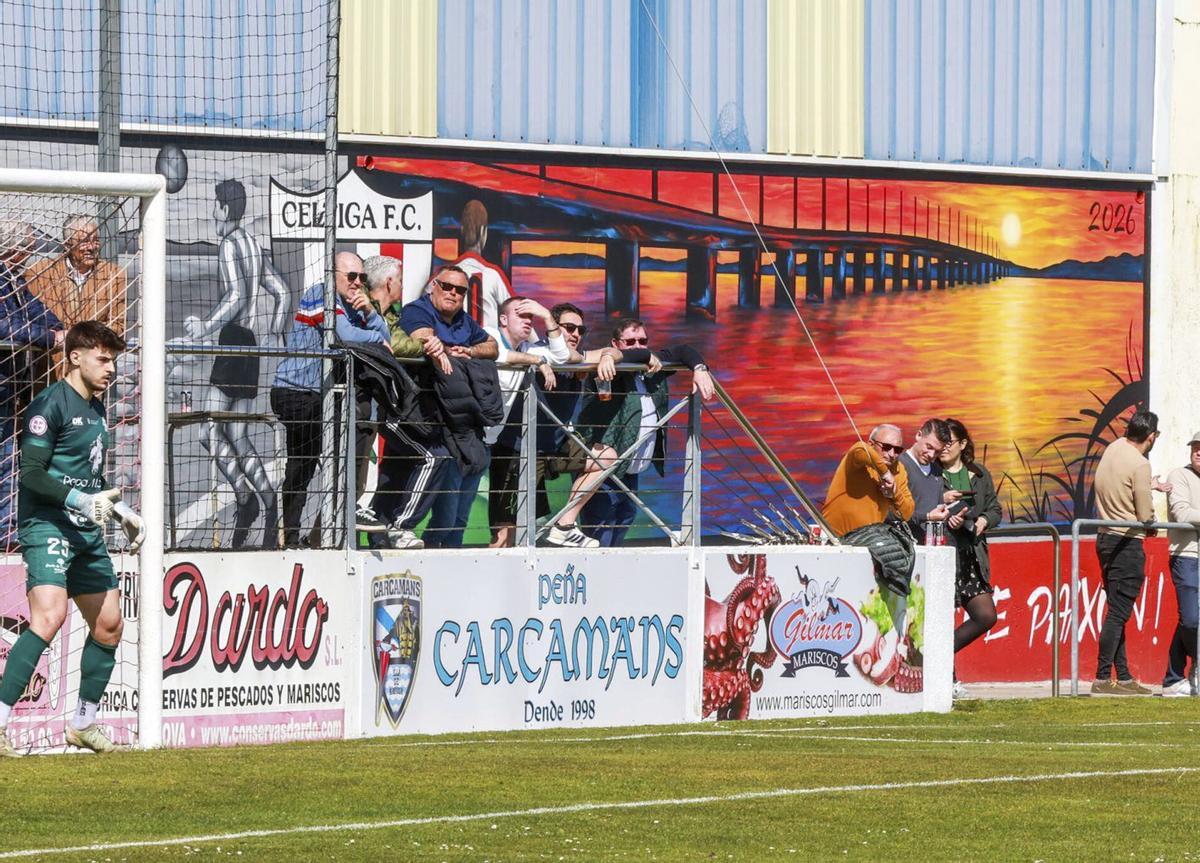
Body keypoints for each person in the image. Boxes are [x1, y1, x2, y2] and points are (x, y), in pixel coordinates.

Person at [0, 322, 145, 756]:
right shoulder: (49, 406)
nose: (111, 368)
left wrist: (118, 511)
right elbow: (31, 475)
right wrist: (83, 501)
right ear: (75, 356)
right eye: (103, 358)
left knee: (109, 624)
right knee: (49, 616)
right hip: (47, 525)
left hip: (84, 530)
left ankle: (83, 723)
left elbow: (89, 476)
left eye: (114, 359)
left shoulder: (96, 409)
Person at [183, 180, 287, 549]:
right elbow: (281, 291)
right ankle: (268, 503)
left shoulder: (229, 243)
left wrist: (204, 326)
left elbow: (238, 293)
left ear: (226, 209)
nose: (212, 212)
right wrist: (274, 330)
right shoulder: (253, 245)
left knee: (207, 431)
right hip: (251, 346)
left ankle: (245, 499)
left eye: (215, 205)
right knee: (238, 435)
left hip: (232, 341)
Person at [271, 252, 389, 547]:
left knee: (309, 465)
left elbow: (381, 333)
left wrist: (373, 316)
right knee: (307, 463)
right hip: (295, 392)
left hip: (316, 396)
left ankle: (304, 534)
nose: (357, 284)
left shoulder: (351, 305)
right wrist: (376, 337)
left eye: (362, 278)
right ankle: (297, 534)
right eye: (351, 277)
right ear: (332, 274)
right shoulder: (320, 294)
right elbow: (344, 335)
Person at [383, 265, 499, 548]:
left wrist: (469, 351)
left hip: (463, 428)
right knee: (444, 510)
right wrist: (447, 350)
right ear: (434, 285)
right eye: (447, 286)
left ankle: (448, 564)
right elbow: (426, 338)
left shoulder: (464, 320)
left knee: (459, 518)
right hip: (423, 419)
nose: (453, 293)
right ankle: (403, 533)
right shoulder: (417, 310)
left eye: (460, 290)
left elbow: (493, 347)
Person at [576, 318, 714, 547]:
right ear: (615, 343)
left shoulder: (650, 367)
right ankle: (596, 579)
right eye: (630, 341)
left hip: (632, 468)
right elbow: (628, 357)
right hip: (605, 467)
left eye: (643, 341)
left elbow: (683, 350)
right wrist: (623, 356)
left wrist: (700, 369)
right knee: (602, 530)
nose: (639, 346)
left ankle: (613, 578)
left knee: (624, 520)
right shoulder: (607, 368)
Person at [534, 303, 630, 548]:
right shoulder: (538, 351)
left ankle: (564, 526)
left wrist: (608, 356)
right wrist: (540, 364)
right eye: (569, 327)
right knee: (509, 532)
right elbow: (545, 356)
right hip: (525, 449)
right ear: (552, 328)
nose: (576, 333)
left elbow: (616, 352)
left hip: (555, 447)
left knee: (606, 457)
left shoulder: (578, 358)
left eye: (581, 329)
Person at [1092, 410, 1171, 695]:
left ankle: (1122, 676)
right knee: (1118, 613)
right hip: (1127, 542)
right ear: (1151, 437)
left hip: (1105, 538)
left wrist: (1147, 486)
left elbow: (1114, 485)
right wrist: (1150, 514)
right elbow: (1144, 513)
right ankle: (1102, 677)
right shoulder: (1140, 463)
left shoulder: (1114, 448)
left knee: (1117, 611)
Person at [483, 296, 568, 548]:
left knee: (461, 508)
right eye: (522, 315)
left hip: (490, 436)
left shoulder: (527, 349)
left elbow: (561, 356)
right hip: (468, 432)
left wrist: (546, 316)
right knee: (456, 507)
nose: (528, 321)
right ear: (503, 319)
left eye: (531, 317)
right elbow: (498, 355)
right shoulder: (490, 334)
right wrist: (538, 362)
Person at [1, 219, 65, 551]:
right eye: (27, 246)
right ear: (16, 248)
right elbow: (6, 327)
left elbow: (39, 313)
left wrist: (57, 330)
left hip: (10, 387)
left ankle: (7, 529)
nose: (31, 252)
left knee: (10, 455)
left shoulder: (15, 280)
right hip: (4, 383)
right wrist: (48, 337)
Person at [938, 418, 1002, 700]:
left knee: (986, 615)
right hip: (944, 552)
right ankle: (946, 680)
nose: (942, 448)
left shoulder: (979, 473)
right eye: (940, 442)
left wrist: (983, 521)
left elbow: (995, 508)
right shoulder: (932, 475)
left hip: (971, 555)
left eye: (948, 442)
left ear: (963, 444)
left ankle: (937, 654)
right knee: (942, 619)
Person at [26, 215, 127, 341]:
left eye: (96, 240)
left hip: (93, 354)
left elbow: (119, 324)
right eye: (84, 241)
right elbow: (30, 320)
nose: (91, 247)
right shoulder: (40, 272)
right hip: (53, 355)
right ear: (68, 245)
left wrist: (85, 338)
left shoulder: (114, 274)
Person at [821, 424, 916, 537]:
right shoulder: (858, 457)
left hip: (868, 541)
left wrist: (894, 493)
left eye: (897, 450)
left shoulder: (899, 470)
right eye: (886, 447)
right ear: (871, 444)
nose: (891, 454)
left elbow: (907, 513)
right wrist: (885, 473)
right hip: (834, 537)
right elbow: (860, 447)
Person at [1163, 431, 1200, 696]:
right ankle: (1195, 667)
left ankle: (1173, 679)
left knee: (1191, 619)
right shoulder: (1179, 475)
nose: (1198, 452)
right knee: (1190, 619)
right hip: (1186, 554)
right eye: (1195, 448)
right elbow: (1182, 512)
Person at [450, 200, 514, 331]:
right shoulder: (494, 274)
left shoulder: (442, 275)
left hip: (454, 346)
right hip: (486, 346)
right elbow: (516, 313)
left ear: (462, 230)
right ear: (483, 232)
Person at [898, 419, 951, 542]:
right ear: (919, 435)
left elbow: (938, 509)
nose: (931, 455)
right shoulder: (899, 465)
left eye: (937, 452)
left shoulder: (937, 470)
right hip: (903, 545)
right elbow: (893, 513)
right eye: (929, 447)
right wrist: (927, 517)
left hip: (932, 546)